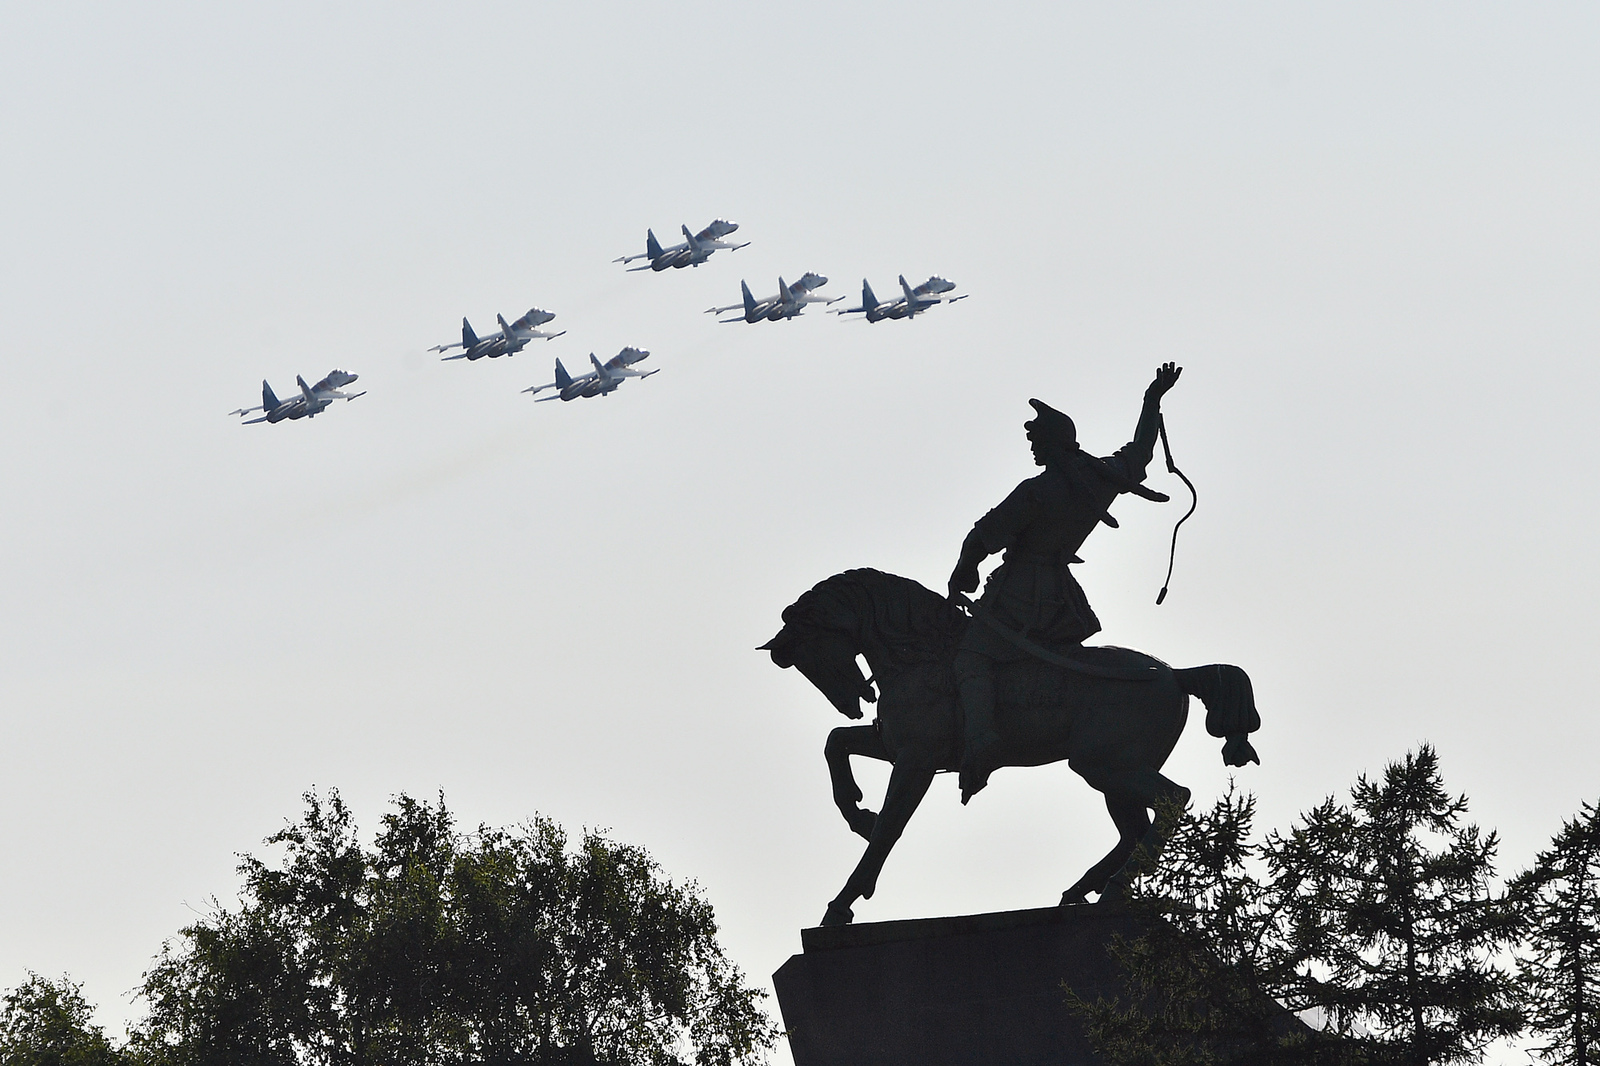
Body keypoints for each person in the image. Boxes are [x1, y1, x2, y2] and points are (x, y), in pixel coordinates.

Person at [948, 363, 1182, 802]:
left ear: (1050, 444)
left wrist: (964, 570)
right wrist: (1152, 401)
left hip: (1019, 592)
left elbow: (983, 536)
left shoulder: (1037, 491)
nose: (1033, 450)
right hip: (1060, 597)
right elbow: (1140, 451)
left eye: (1036, 442)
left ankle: (982, 742)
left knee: (971, 656)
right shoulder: (1099, 478)